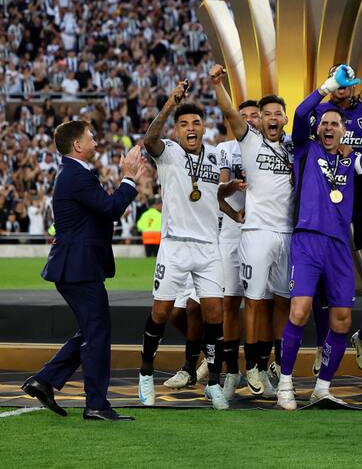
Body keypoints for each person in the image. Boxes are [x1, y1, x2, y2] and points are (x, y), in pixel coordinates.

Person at [275, 66, 362, 410]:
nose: (328, 127)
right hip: (308, 241)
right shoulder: (305, 151)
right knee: (299, 311)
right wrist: (327, 88)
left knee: (342, 321)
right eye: (324, 123)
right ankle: (285, 384)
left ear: (344, 132)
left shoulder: (351, 161)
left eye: (335, 124)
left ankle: (322, 386)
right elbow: (299, 113)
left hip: (341, 245)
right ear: (318, 130)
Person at [21, 121, 144, 421]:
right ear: (77, 145)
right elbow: (111, 209)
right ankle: (96, 405)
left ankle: (45, 380)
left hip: (77, 267)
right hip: (78, 269)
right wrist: (128, 178)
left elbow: (102, 209)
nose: (96, 140)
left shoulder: (75, 174)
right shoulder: (77, 176)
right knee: (97, 333)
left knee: (92, 331)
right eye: (91, 136)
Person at [137, 81, 228, 410]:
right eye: (184, 123)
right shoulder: (168, 152)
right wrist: (171, 102)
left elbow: (211, 197)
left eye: (196, 123)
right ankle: (146, 374)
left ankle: (214, 383)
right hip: (174, 246)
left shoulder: (216, 156)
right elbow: (149, 139)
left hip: (208, 247)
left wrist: (231, 199)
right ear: (175, 130)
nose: (191, 128)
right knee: (160, 313)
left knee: (214, 315)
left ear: (204, 128)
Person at [211, 67, 293, 400]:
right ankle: (251, 366)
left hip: (288, 233)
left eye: (277, 113)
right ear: (259, 120)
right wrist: (218, 85)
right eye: (266, 113)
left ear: (285, 119)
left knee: (282, 303)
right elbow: (230, 112)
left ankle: (264, 362)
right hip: (257, 232)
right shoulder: (249, 142)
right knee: (255, 302)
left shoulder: (293, 147)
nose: (272, 118)